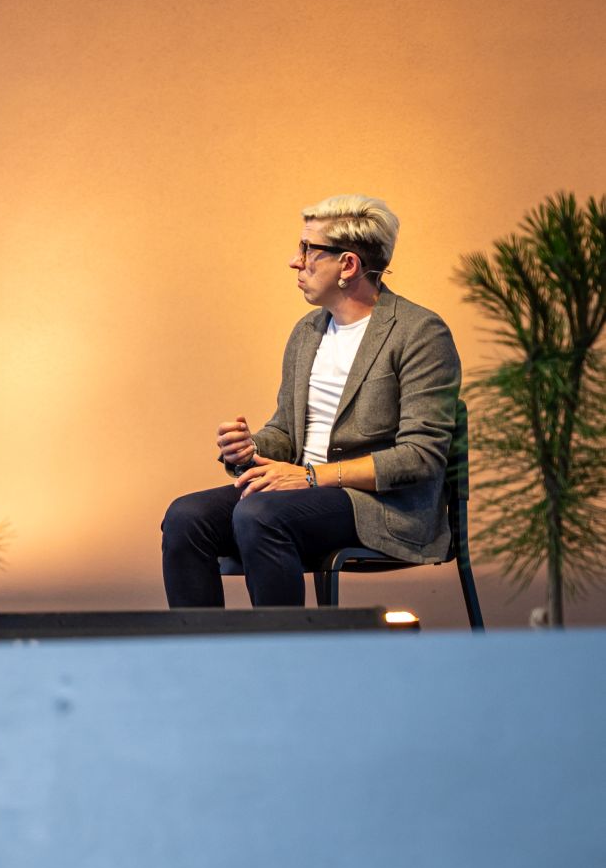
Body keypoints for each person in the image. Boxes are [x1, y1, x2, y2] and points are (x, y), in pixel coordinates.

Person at [161, 194, 460, 607]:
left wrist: (313, 477)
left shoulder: (419, 333)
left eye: (307, 249)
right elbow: (286, 430)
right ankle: (204, 649)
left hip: (380, 506)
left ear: (348, 265)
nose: (295, 261)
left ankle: (289, 647)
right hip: (299, 494)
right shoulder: (308, 332)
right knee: (185, 518)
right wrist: (250, 448)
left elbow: (420, 457)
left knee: (260, 515)